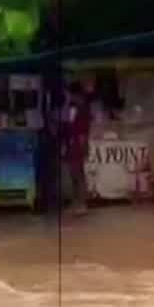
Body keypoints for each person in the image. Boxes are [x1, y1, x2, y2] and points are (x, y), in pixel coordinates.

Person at [65, 82, 92, 215]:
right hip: (71, 142)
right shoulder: (71, 107)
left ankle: (82, 203)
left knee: (79, 174)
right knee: (73, 174)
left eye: (71, 94)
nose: (69, 97)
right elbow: (69, 124)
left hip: (78, 143)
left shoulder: (84, 108)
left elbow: (84, 130)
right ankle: (75, 201)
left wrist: (83, 146)